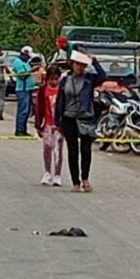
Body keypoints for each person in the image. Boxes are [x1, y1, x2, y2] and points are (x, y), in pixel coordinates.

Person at [55, 50, 107, 193]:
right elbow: (60, 100)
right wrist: (57, 121)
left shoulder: (89, 79)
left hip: (85, 117)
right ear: (72, 64)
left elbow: (103, 76)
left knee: (86, 150)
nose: (80, 67)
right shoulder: (65, 80)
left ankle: (85, 178)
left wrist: (94, 61)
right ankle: (75, 182)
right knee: (73, 150)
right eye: (77, 64)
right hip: (68, 117)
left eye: (83, 65)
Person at [35, 66, 64, 187]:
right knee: (47, 148)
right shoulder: (43, 91)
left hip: (59, 126)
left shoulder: (62, 90)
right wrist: (38, 125)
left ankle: (57, 175)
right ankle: (47, 172)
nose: (54, 82)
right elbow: (38, 108)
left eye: (56, 79)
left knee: (58, 150)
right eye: (51, 79)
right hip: (47, 123)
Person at [12, 46, 38, 136]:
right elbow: (22, 76)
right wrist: (32, 70)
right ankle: (20, 130)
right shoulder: (18, 62)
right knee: (23, 110)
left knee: (27, 111)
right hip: (22, 89)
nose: (29, 58)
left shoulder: (25, 62)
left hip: (28, 88)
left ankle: (23, 129)